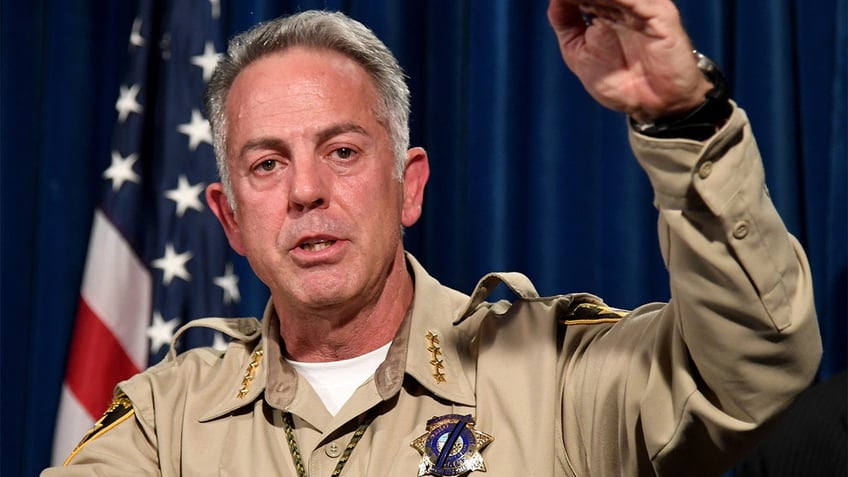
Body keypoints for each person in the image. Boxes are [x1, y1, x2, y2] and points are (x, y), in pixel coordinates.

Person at [43, 0, 822, 475]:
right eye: (267, 162)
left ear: (409, 184)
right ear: (230, 219)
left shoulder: (556, 378)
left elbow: (756, 366)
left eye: (342, 151)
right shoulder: (162, 422)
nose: (307, 189)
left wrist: (684, 120)